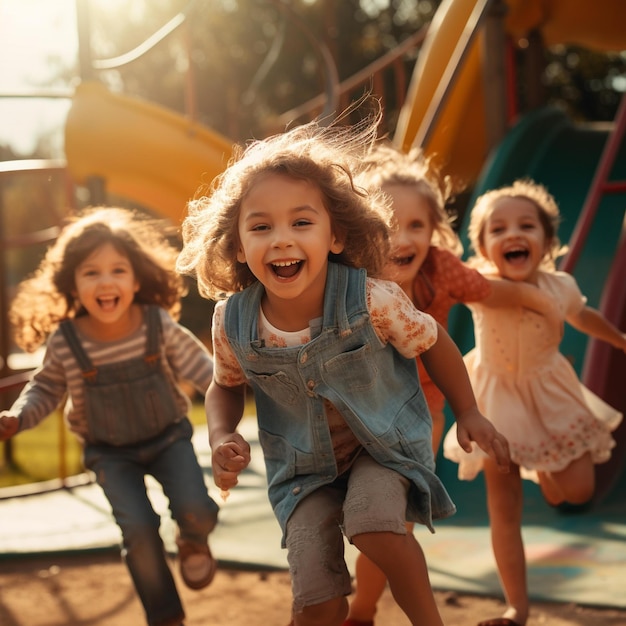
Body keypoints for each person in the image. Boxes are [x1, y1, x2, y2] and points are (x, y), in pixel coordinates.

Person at [175, 112, 511, 626]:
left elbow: (433, 339)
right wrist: (222, 434)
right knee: (316, 598)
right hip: (303, 472)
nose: (282, 239)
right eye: (261, 226)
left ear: (335, 236)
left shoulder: (373, 299)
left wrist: (468, 411)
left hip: (384, 447)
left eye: (301, 222)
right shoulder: (233, 321)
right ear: (240, 246)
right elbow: (225, 384)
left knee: (374, 524)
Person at [343, 144, 561, 626]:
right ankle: (344, 599)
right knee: (345, 517)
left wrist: (537, 297)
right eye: (389, 222)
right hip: (350, 412)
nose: (403, 236)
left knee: (392, 522)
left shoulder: (440, 268)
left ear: (435, 232)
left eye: (417, 225)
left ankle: (360, 610)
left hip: (421, 409)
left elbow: (489, 290)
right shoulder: (349, 273)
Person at [0, 207, 220, 626]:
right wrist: (17, 417)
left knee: (197, 509)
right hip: (109, 453)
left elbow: (201, 368)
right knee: (137, 530)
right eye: (91, 273)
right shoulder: (67, 342)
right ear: (73, 285)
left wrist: (234, 385)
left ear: (135, 280)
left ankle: (193, 540)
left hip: (167, 438)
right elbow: (45, 388)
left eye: (117, 270)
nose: (105, 282)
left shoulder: (154, 324)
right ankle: (165, 616)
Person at [442, 180, 625, 626]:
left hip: (551, 396)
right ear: (483, 247)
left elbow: (582, 315)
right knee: (504, 510)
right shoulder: (481, 285)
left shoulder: (560, 285)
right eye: (498, 229)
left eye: (527, 225)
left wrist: (620, 340)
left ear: (548, 243)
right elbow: (482, 290)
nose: (513, 234)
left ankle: (544, 466)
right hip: (495, 401)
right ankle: (516, 608)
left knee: (577, 490)